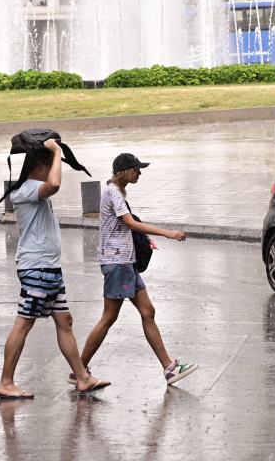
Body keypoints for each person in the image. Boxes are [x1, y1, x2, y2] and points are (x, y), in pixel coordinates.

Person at [73, 152, 199, 387]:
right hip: (117, 263)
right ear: (125, 171)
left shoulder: (116, 192)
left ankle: (170, 368)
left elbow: (124, 227)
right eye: (136, 169)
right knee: (109, 317)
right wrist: (167, 232)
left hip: (125, 262)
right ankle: (79, 371)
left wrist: (140, 241)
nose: (139, 173)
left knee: (148, 311)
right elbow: (130, 223)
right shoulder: (112, 191)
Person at [0, 138, 111, 399]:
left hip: (49, 268)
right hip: (36, 267)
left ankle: (82, 378)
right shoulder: (26, 190)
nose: (54, 169)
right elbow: (55, 184)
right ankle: (6, 382)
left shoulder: (34, 188)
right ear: (40, 166)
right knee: (24, 323)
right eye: (51, 165)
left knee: (64, 320)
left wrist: (56, 155)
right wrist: (58, 151)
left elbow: (52, 183)